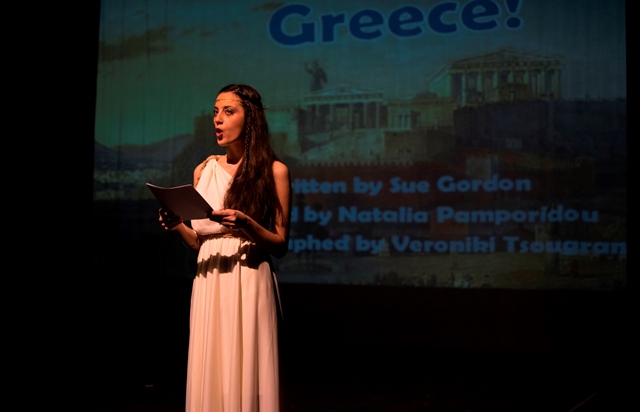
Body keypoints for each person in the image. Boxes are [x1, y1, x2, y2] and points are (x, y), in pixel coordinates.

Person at [158, 84, 291, 412]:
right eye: (215, 112)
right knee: (214, 367)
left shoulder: (273, 171)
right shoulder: (203, 169)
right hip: (209, 281)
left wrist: (246, 223)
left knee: (246, 366)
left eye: (228, 112)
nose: (217, 119)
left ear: (251, 119)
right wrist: (177, 225)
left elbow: (280, 244)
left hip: (248, 279)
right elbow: (199, 242)